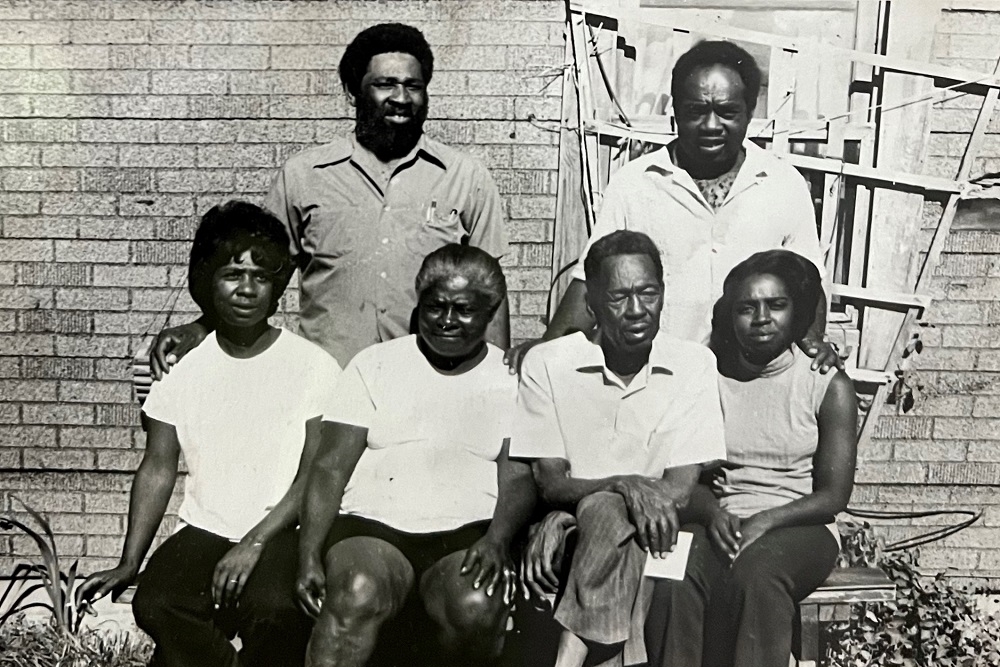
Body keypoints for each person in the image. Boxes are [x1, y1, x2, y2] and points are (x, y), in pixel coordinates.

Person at [151, 22, 509, 376]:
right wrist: (202, 327)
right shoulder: (303, 176)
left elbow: (489, 293)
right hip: (329, 382)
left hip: (427, 379)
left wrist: (496, 382)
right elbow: (260, 274)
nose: (401, 98)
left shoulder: (466, 177)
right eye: (385, 84)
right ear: (352, 92)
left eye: (413, 86)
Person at [78, 201, 343, 667]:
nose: (247, 289)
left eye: (260, 277)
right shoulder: (180, 366)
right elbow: (158, 467)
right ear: (207, 280)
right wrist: (130, 561)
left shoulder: (312, 365)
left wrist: (254, 542)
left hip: (282, 529)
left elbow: (314, 474)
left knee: (274, 608)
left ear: (277, 286)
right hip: (206, 528)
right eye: (232, 274)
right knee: (156, 602)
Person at [506, 40, 839, 373]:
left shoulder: (783, 183)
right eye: (696, 111)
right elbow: (592, 280)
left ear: (750, 112)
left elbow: (809, 281)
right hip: (660, 378)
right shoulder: (635, 183)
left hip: (750, 379)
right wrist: (548, 350)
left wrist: (813, 342)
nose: (711, 126)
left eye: (727, 112)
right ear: (676, 111)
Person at [295, 244, 534, 667]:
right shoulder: (375, 365)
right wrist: (308, 553)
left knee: (476, 605)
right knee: (356, 590)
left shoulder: (510, 378)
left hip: (468, 532)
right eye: (435, 306)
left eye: (465, 310)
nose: (447, 320)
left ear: (490, 312)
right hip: (374, 528)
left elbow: (516, 476)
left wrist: (498, 540)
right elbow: (330, 467)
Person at [510, 230, 727, 667]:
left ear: (663, 294)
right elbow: (551, 483)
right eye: (619, 297)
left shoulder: (693, 364)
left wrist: (614, 495)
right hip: (571, 527)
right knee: (607, 510)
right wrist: (624, 484)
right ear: (591, 305)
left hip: (660, 530)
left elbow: (679, 490)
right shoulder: (549, 363)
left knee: (609, 513)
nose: (637, 310)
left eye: (648, 293)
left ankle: (569, 655)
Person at [644, 249, 858, 667]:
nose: (761, 318)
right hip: (722, 520)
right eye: (747, 308)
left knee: (757, 574)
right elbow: (687, 476)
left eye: (776, 305)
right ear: (731, 316)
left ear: (796, 313)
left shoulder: (825, 384)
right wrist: (711, 513)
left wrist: (766, 520)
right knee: (672, 573)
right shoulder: (708, 379)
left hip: (800, 525)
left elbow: (834, 496)